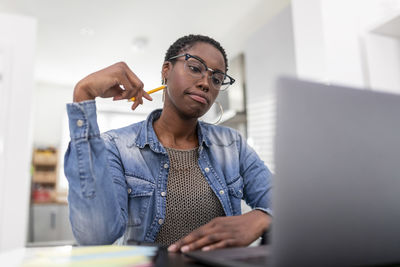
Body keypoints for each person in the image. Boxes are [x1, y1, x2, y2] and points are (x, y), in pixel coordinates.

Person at [64, 34, 272, 253]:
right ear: (166, 70)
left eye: (217, 79)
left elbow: (285, 203)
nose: (205, 83)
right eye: (194, 68)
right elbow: (95, 237)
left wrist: (262, 217)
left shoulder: (233, 145)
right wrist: (84, 94)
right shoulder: (117, 146)